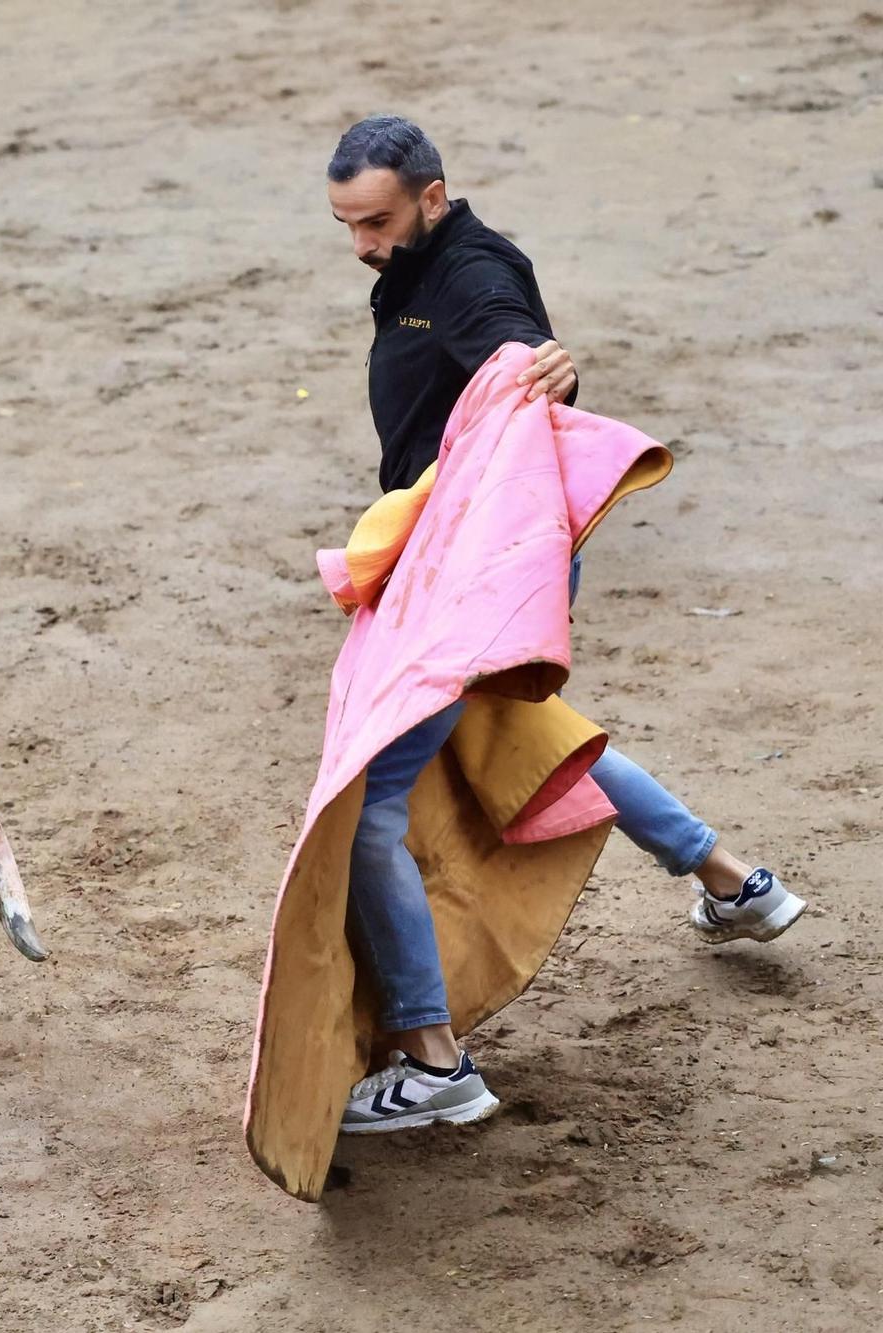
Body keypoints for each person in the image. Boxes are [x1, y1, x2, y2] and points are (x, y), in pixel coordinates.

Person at [322, 116, 805, 1135]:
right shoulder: (422, 264)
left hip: (472, 567)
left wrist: (544, 369)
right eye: (346, 225)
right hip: (459, 554)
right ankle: (732, 883)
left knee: (370, 807)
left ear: (431, 198)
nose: (361, 242)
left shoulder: (469, 271)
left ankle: (433, 1058)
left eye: (374, 220)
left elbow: (513, 346)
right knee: (518, 736)